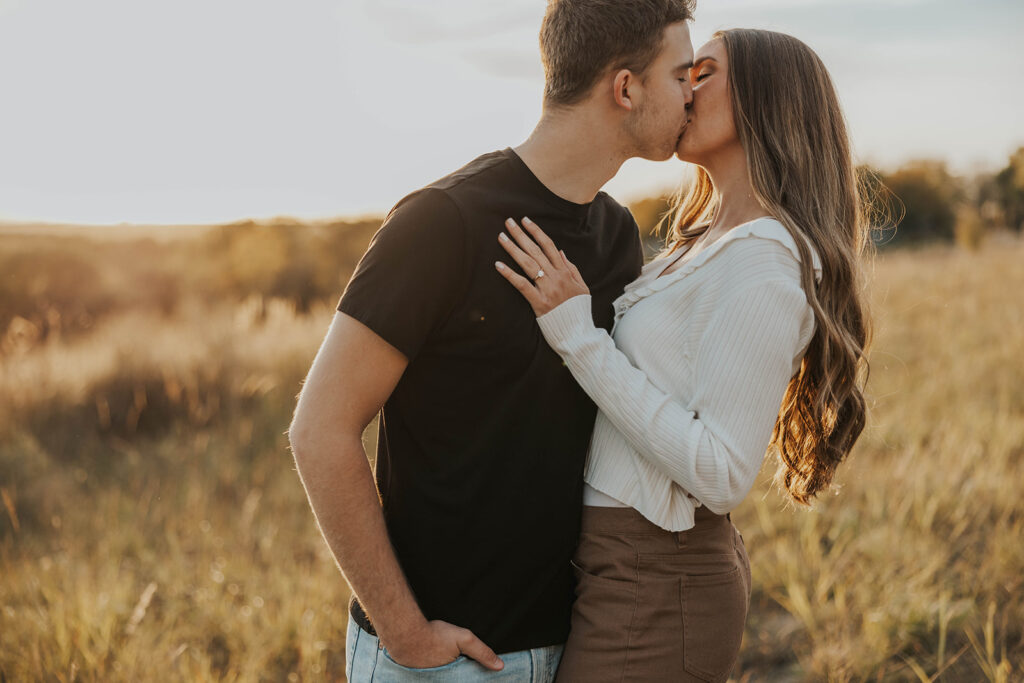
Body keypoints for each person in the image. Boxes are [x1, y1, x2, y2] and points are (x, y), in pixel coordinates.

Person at [287, 1, 697, 680]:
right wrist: (406, 633)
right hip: (440, 659)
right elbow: (319, 428)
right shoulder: (442, 223)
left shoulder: (616, 236)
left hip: (574, 647)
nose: (693, 94)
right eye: (682, 74)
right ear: (625, 88)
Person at [495, 29, 874, 682]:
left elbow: (724, 471)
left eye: (704, 72)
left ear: (765, 100)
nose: (684, 86)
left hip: (657, 578)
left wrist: (578, 338)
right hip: (619, 565)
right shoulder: (707, 241)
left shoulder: (762, 264)